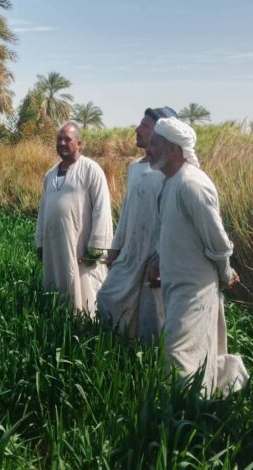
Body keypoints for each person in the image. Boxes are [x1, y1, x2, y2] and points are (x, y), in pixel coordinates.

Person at [147, 117, 248, 395]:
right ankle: (200, 408)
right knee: (193, 354)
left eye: (155, 144)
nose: (148, 148)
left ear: (174, 151)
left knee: (180, 356)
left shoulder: (192, 185)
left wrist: (225, 273)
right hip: (176, 285)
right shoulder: (170, 183)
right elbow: (171, 233)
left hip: (195, 290)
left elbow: (217, 241)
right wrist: (157, 262)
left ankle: (191, 419)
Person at [96, 108, 175, 340]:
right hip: (131, 253)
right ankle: (118, 353)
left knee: (151, 317)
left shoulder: (168, 173)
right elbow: (128, 213)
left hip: (154, 255)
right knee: (108, 298)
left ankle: (147, 367)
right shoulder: (135, 167)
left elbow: (170, 222)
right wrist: (115, 248)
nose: (137, 130)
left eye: (145, 127)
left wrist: (160, 260)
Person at [35, 122, 113, 316]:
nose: (62, 143)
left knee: (84, 288)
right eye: (59, 139)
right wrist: (40, 241)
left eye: (67, 139)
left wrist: (97, 245)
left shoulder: (91, 170)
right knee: (56, 284)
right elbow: (43, 210)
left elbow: (102, 209)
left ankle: (86, 326)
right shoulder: (50, 175)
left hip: (80, 246)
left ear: (79, 144)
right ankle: (59, 320)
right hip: (54, 245)